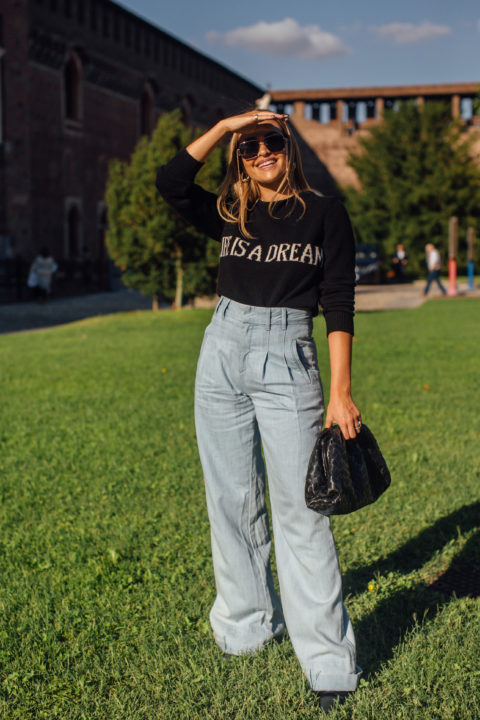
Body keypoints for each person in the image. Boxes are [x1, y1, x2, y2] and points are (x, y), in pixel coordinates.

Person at [156, 110, 362, 713]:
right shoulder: (230, 213)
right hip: (221, 348)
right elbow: (171, 184)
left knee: (303, 511)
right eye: (250, 148)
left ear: (289, 149)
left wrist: (341, 392)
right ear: (239, 159)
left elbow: (339, 302)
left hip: (288, 355)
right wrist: (225, 127)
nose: (262, 153)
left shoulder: (324, 212)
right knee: (230, 496)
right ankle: (247, 625)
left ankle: (328, 660)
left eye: (271, 142)